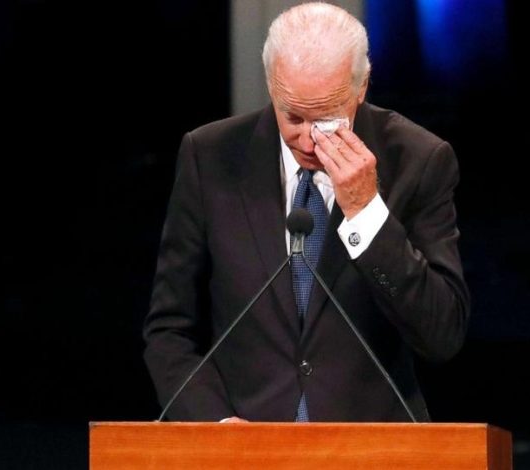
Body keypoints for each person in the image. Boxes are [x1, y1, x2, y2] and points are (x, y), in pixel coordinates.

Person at [143, 2, 469, 423]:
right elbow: (169, 330)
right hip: (244, 445)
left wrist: (366, 212)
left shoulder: (418, 160)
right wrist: (215, 428)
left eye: (328, 119)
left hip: (372, 444)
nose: (310, 140)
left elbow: (441, 335)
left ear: (362, 86)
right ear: (271, 86)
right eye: (294, 117)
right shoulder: (209, 157)